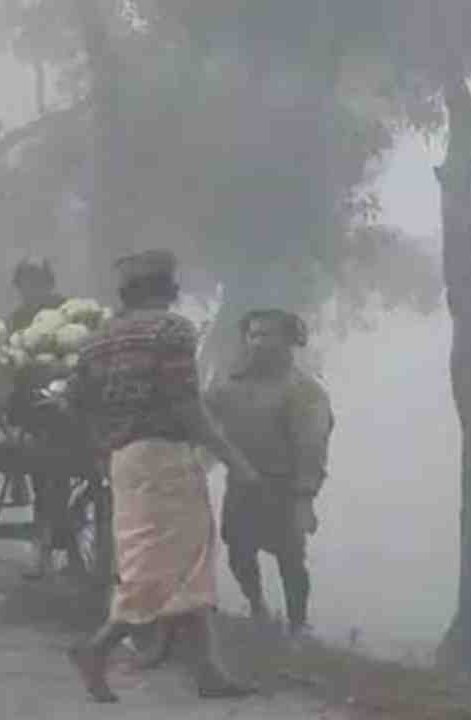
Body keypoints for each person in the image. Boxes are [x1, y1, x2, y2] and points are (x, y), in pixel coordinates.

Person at [58, 249, 259, 703]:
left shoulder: (97, 339)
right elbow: (187, 405)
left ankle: (207, 672)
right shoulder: (171, 330)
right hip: (165, 456)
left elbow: (72, 401)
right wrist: (234, 459)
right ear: (167, 288)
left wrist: (104, 440)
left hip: (124, 459)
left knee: (179, 562)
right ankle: (97, 648)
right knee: (163, 566)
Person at [204, 309, 333, 638]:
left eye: (268, 335)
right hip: (242, 482)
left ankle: (297, 625)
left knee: (290, 559)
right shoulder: (230, 382)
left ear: (288, 341)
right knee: (238, 549)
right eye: (253, 335)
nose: (259, 343)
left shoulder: (303, 390)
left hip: (284, 486)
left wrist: (305, 498)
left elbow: (311, 447)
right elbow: (204, 414)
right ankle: (258, 607)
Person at [6, 257, 71, 579]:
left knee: (59, 481)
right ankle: (45, 549)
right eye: (26, 285)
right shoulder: (17, 318)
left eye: (37, 283)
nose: (31, 291)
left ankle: (67, 547)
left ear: (49, 284)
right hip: (34, 411)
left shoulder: (68, 312)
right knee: (46, 481)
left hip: (70, 403)